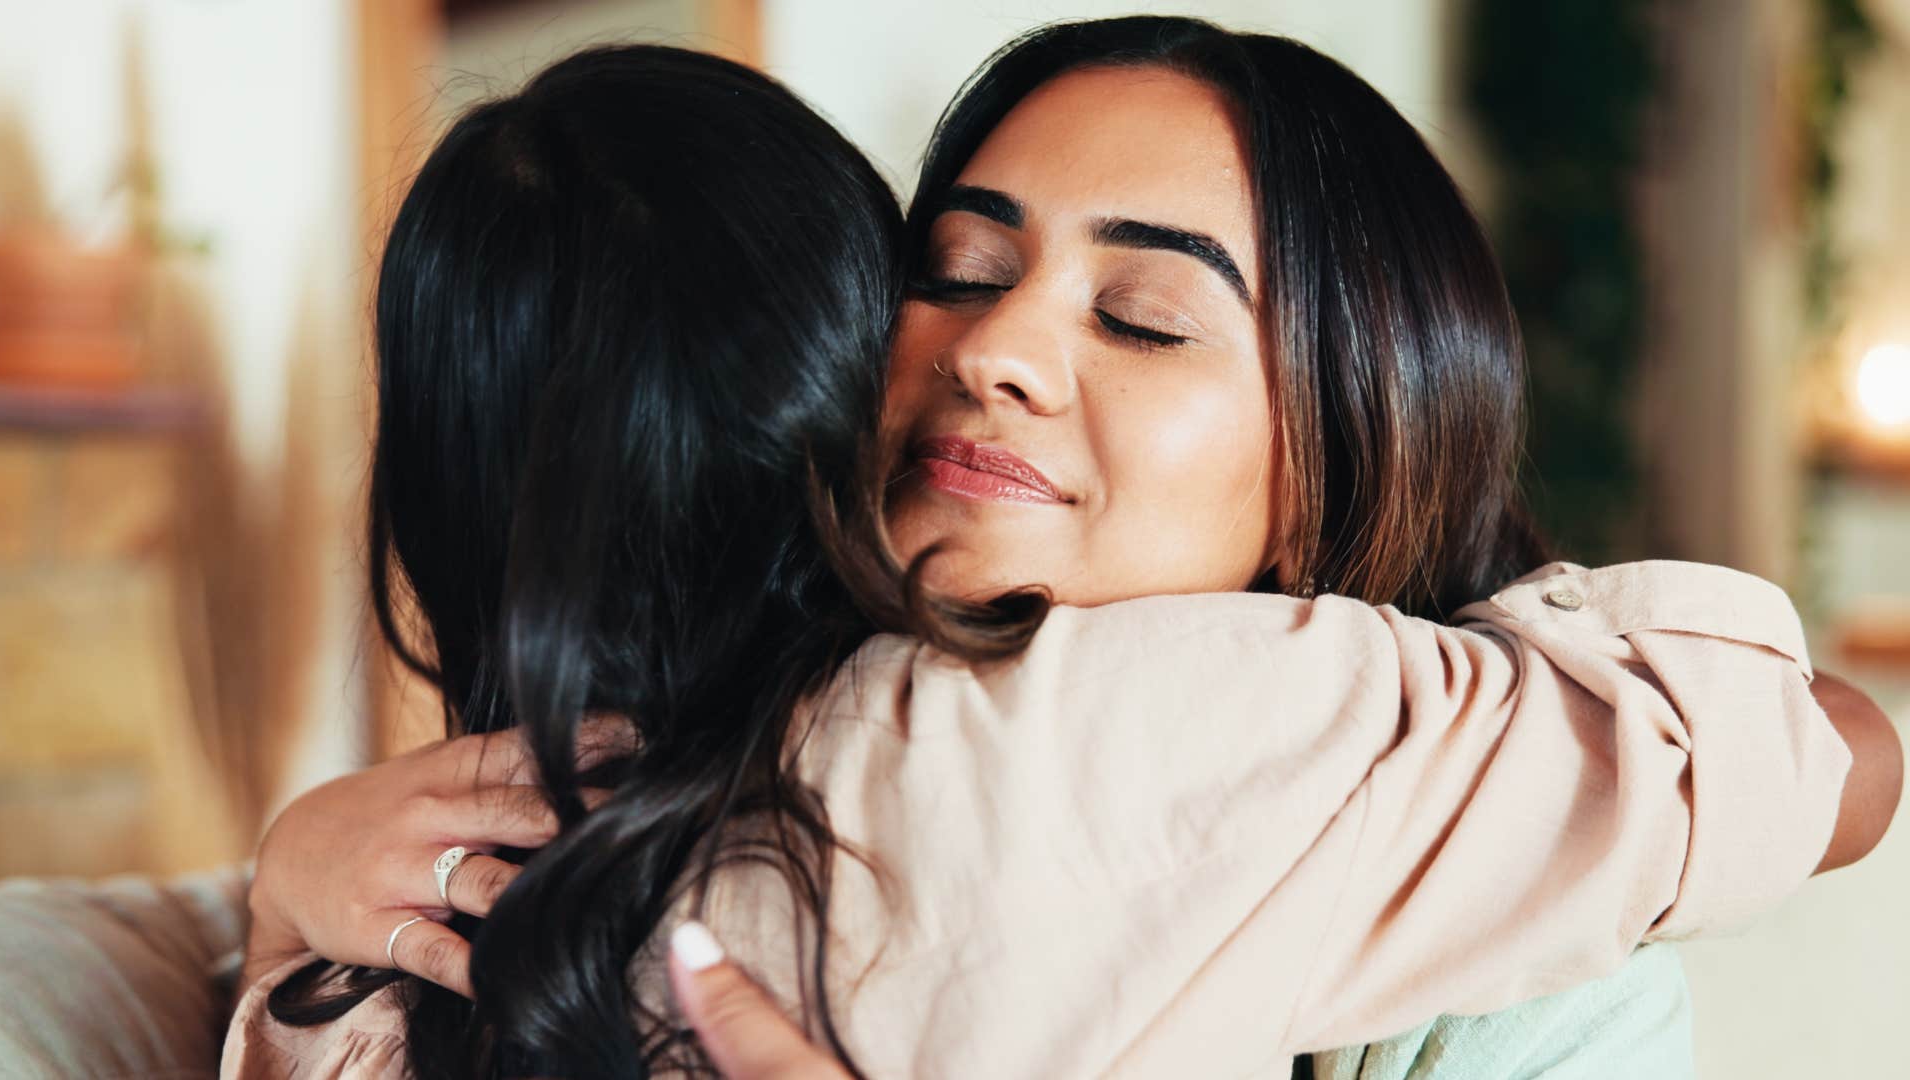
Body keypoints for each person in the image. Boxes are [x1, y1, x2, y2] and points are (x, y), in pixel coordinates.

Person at [226, 20, 1898, 1080]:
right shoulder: (600, 784)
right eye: (951, 268)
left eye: (1146, 314)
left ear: (1340, 458)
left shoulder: (1519, 953)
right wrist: (290, 887)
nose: (992, 347)